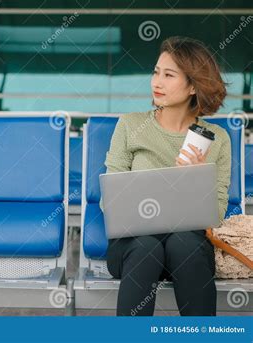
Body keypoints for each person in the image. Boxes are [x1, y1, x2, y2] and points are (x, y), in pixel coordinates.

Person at [104, 36, 231, 316]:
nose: (156, 82)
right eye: (155, 72)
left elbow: (218, 212)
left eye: (168, 75)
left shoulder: (217, 139)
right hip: (133, 245)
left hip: (186, 247)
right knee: (147, 247)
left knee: (184, 241)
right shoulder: (130, 125)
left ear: (193, 86)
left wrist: (196, 182)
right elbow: (110, 202)